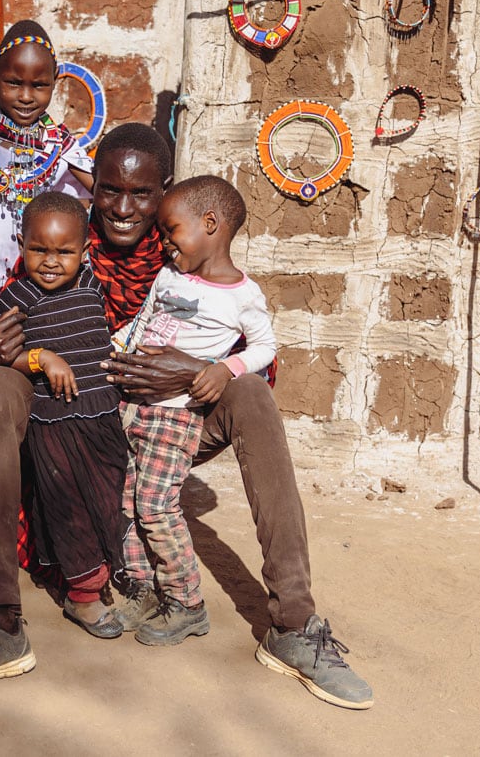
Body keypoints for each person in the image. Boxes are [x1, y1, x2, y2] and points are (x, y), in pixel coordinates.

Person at [0, 124, 374, 711]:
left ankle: (294, 623)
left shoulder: (187, 254)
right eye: (108, 191)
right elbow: (0, 337)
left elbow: (252, 354)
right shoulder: (65, 244)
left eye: (141, 194)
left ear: (167, 194)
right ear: (91, 188)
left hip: (165, 426)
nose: (123, 209)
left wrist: (189, 371)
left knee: (253, 396)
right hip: (67, 425)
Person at [111, 175, 276, 647]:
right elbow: (144, 320)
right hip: (134, 407)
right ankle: (144, 589)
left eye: (171, 231)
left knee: (156, 506)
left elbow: (265, 345)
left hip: (176, 416)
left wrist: (225, 369)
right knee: (127, 503)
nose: (164, 244)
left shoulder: (242, 295)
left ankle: (186, 603)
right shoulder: (169, 276)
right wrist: (117, 351)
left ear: (210, 224)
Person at [0, 21, 94, 485]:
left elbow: (99, 196)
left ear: (55, 83)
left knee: (23, 384)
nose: (26, 96)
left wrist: (73, 154)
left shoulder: (60, 148)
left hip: (25, 294)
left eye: (40, 85)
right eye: (13, 82)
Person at [0, 191, 127, 644]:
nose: (50, 261)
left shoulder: (92, 283)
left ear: (84, 251)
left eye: (64, 251)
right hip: (54, 424)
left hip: (103, 416)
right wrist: (41, 357)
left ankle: (104, 576)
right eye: (38, 249)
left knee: (109, 499)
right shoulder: (16, 297)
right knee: (70, 509)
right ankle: (83, 597)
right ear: (21, 244)